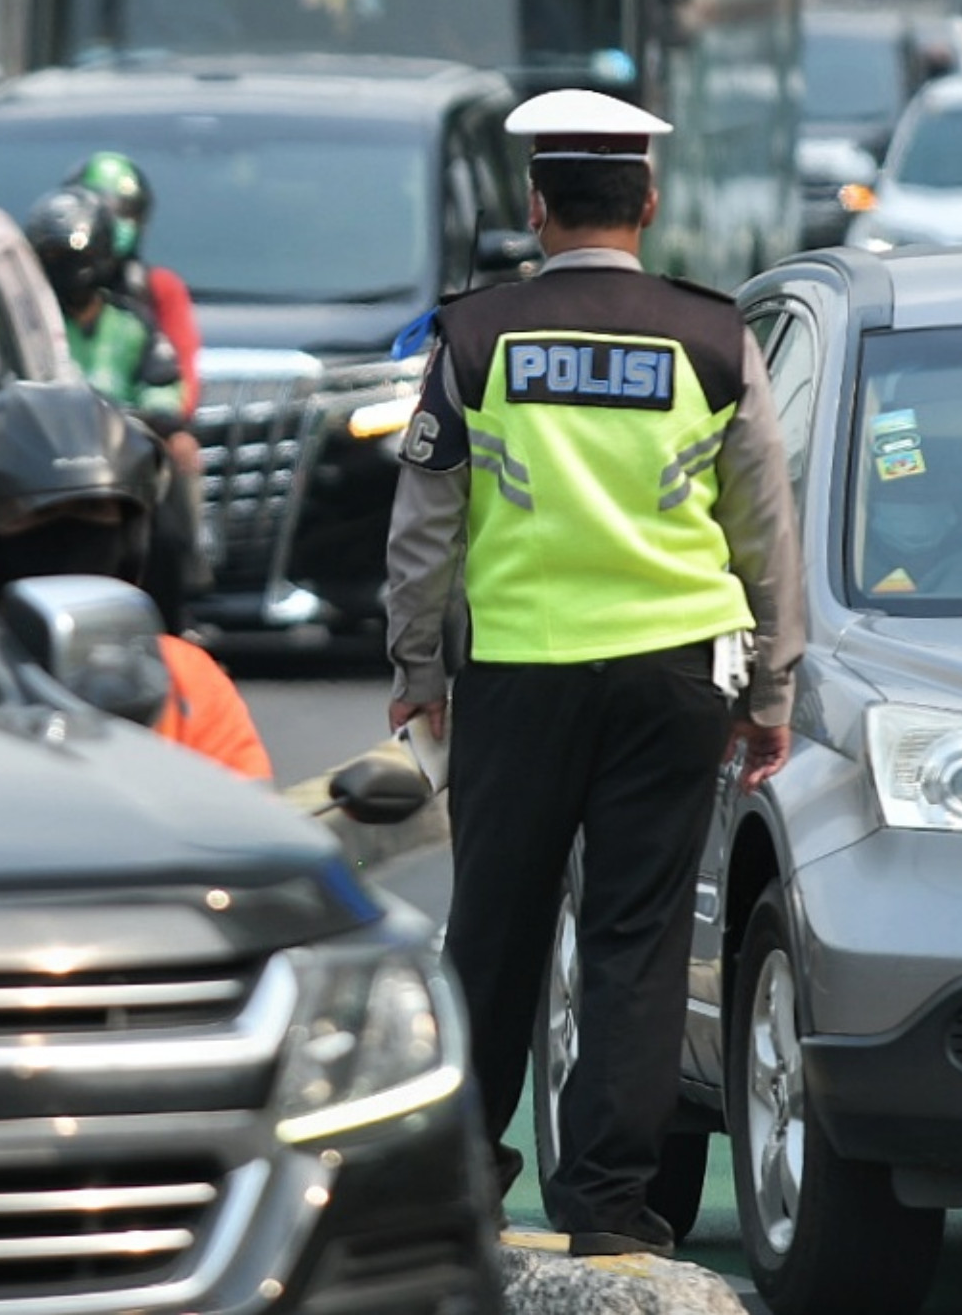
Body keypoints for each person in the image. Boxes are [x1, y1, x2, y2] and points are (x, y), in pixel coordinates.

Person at [382, 87, 800, 1258]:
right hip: (676, 680)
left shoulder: (476, 337)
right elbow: (767, 531)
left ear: (537, 203)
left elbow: (423, 531)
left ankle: (462, 1183)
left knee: (493, 933)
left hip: (517, 677)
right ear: (648, 202)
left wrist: (418, 668)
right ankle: (609, 1203)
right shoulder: (713, 338)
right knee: (635, 939)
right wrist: (772, 691)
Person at [0, 379, 269, 781]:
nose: (69, 535)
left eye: (94, 511)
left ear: (131, 539)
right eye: (37, 516)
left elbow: (243, 806)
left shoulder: (183, 681)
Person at [69, 150, 211, 627]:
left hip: (133, 436)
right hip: (60, 433)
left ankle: (183, 588)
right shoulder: (38, 296)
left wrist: (162, 420)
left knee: (178, 462)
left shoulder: (148, 300)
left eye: (125, 211)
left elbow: (176, 375)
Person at [25, 187, 185, 428]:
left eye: (81, 255)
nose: (69, 267)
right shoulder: (30, 326)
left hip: (121, 443)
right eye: (55, 255)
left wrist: (157, 416)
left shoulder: (131, 324)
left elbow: (161, 383)